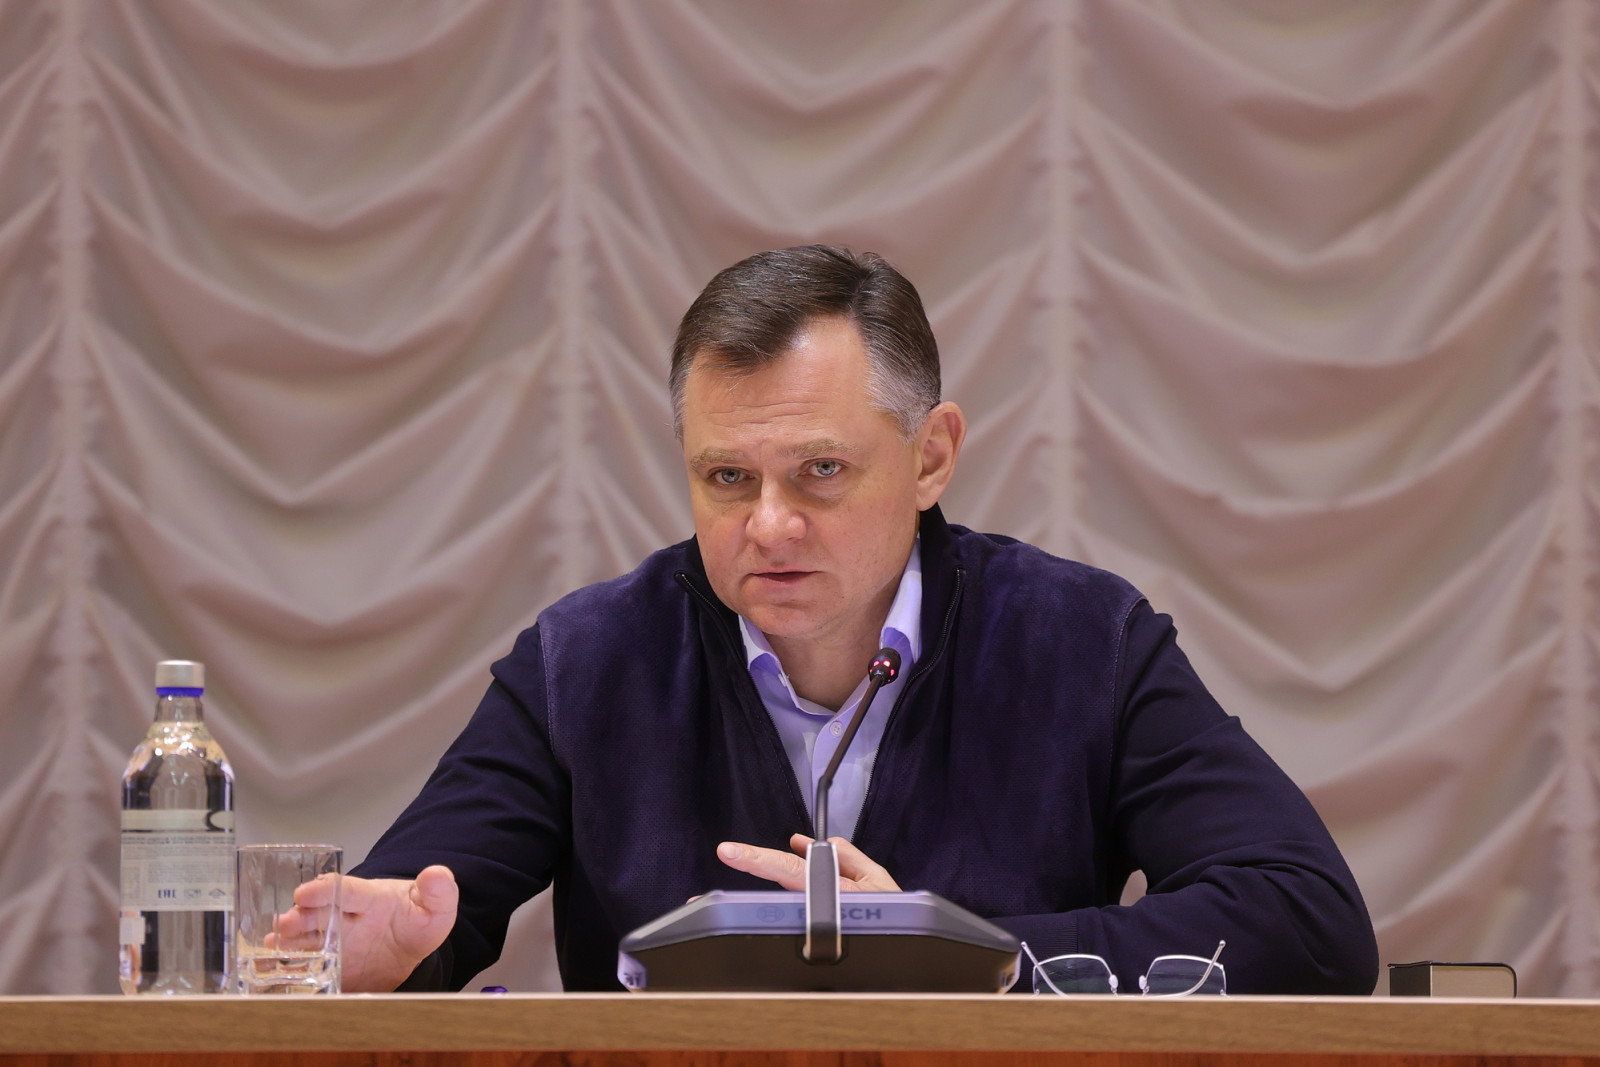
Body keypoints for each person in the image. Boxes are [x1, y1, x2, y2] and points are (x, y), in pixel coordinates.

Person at [303, 245, 1378, 994]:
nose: (768, 524)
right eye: (727, 476)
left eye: (820, 470)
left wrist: (956, 950)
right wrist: (383, 954)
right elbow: (416, 912)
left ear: (931, 456)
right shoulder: (586, 660)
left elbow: (1309, 921)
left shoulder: (1081, 641)